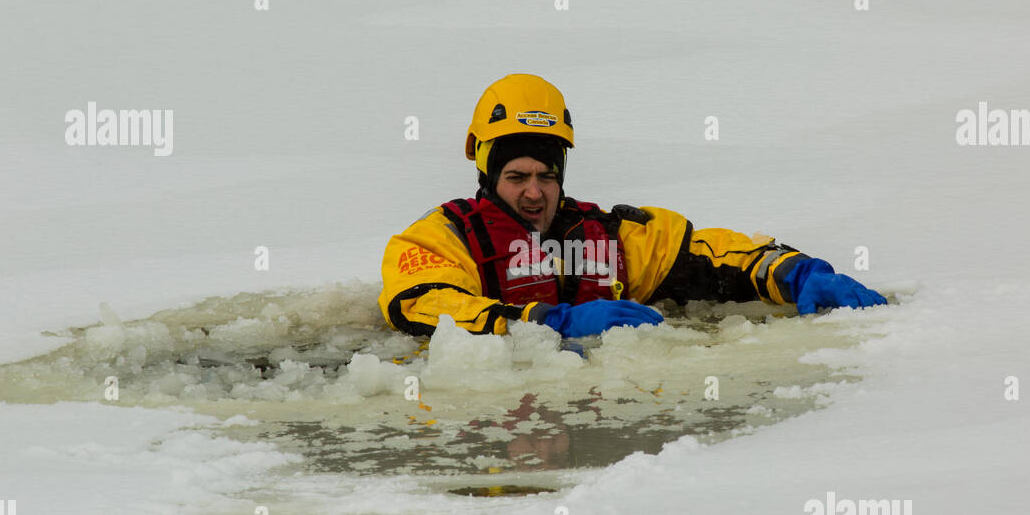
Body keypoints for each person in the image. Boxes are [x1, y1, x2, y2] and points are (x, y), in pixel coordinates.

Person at [378, 74, 885, 337]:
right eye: (517, 177)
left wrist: (791, 272)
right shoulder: (440, 238)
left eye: (546, 176)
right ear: (487, 176)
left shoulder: (605, 237)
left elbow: (716, 255)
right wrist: (545, 325)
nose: (534, 192)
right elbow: (421, 303)